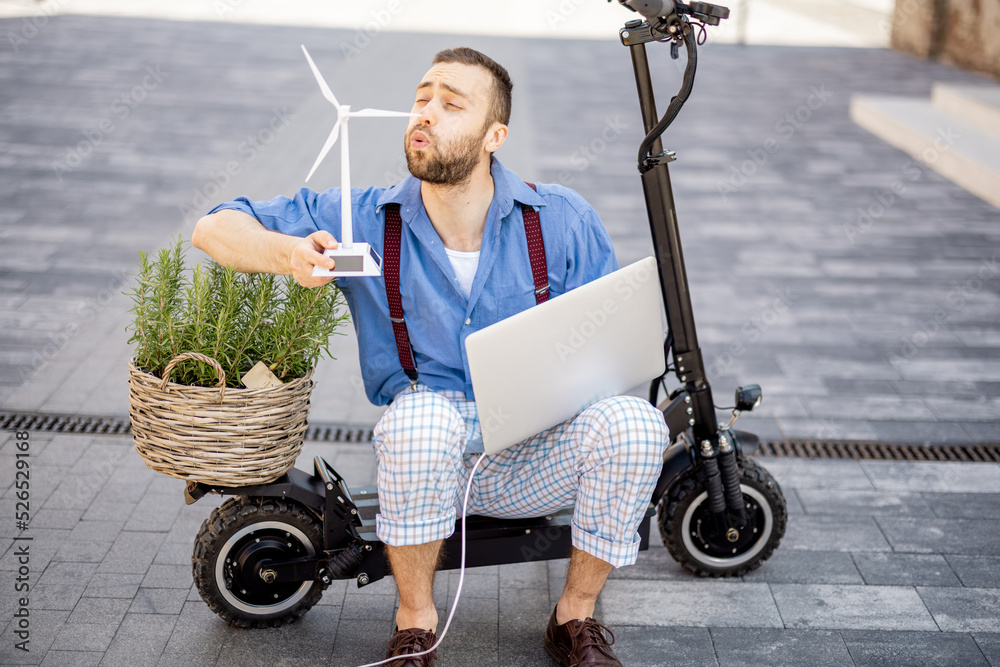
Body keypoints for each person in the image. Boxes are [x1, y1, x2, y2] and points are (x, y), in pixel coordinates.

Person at [193, 46, 667, 667]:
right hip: (425, 456)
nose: (424, 113)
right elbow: (215, 226)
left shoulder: (561, 219)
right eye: (420, 98)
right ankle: (414, 624)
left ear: (494, 135)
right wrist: (290, 254)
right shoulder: (362, 215)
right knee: (421, 421)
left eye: (450, 104)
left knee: (636, 425)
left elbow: (609, 349)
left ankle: (574, 617)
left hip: (536, 454)